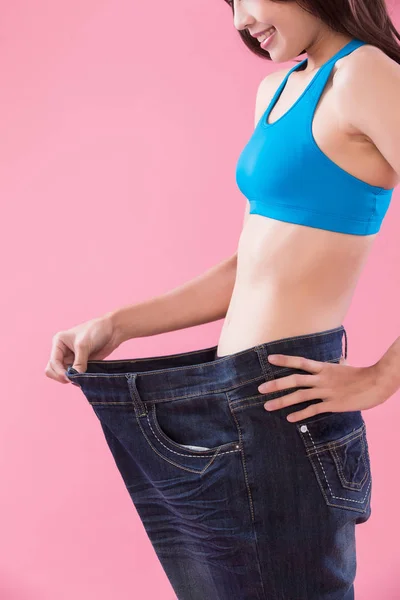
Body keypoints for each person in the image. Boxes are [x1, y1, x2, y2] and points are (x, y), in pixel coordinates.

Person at [45, 1, 400, 598]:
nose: (239, 20)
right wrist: (118, 325)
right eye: (229, 3)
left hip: (287, 405)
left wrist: (384, 376)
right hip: (231, 394)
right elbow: (252, 265)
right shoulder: (278, 89)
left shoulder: (365, 75)